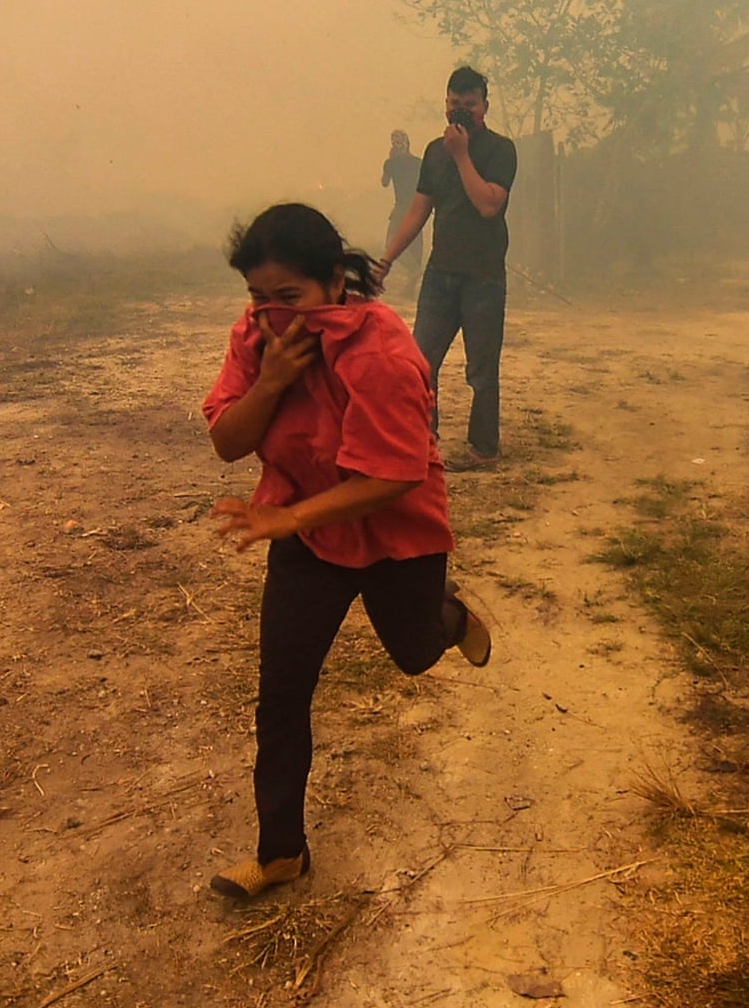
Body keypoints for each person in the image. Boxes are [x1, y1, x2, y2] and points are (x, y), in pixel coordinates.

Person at [201, 202, 492, 899]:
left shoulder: (382, 348)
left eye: (289, 297)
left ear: (336, 282)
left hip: (396, 532)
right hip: (306, 537)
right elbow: (227, 441)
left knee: (414, 653)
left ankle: (448, 618)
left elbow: (393, 474)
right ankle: (281, 853)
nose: (273, 315)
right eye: (259, 298)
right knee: (282, 693)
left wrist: (287, 514)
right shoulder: (257, 340)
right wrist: (271, 382)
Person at [376, 67, 518, 470]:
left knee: (481, 370)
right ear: (445, 104)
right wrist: (386, 261)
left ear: (484, 107)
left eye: (469, 105)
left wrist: (462, 154)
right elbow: (418, 210)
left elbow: (488, 204)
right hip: (440, 274)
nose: (460, 113)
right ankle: (423, 442)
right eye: (454, 104)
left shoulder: (500, 150)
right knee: (420, 362)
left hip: (483, 277)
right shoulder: (434, 152)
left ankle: (483, 449)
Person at [380, 130, 423, 294]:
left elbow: (384, 183)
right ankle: (411, 285)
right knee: (415, 246)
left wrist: (390, 160)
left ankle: (413, 270)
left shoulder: (391, 164)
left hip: (401, 209)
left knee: (390, 244)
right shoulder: (418, 163)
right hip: (418, 208)